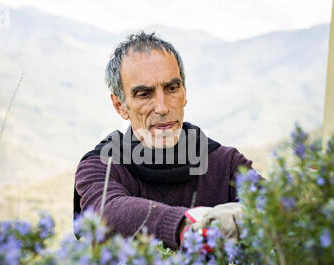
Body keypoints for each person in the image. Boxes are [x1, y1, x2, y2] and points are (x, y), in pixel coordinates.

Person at [73, 31, 261, 250]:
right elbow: (107, 211)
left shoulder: (225, 164)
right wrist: (187, 225)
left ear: (184, 93)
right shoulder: (100, 165)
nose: (162, 107)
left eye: (172, 88)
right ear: (120, 106)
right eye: (144, 94)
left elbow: (277, 211)